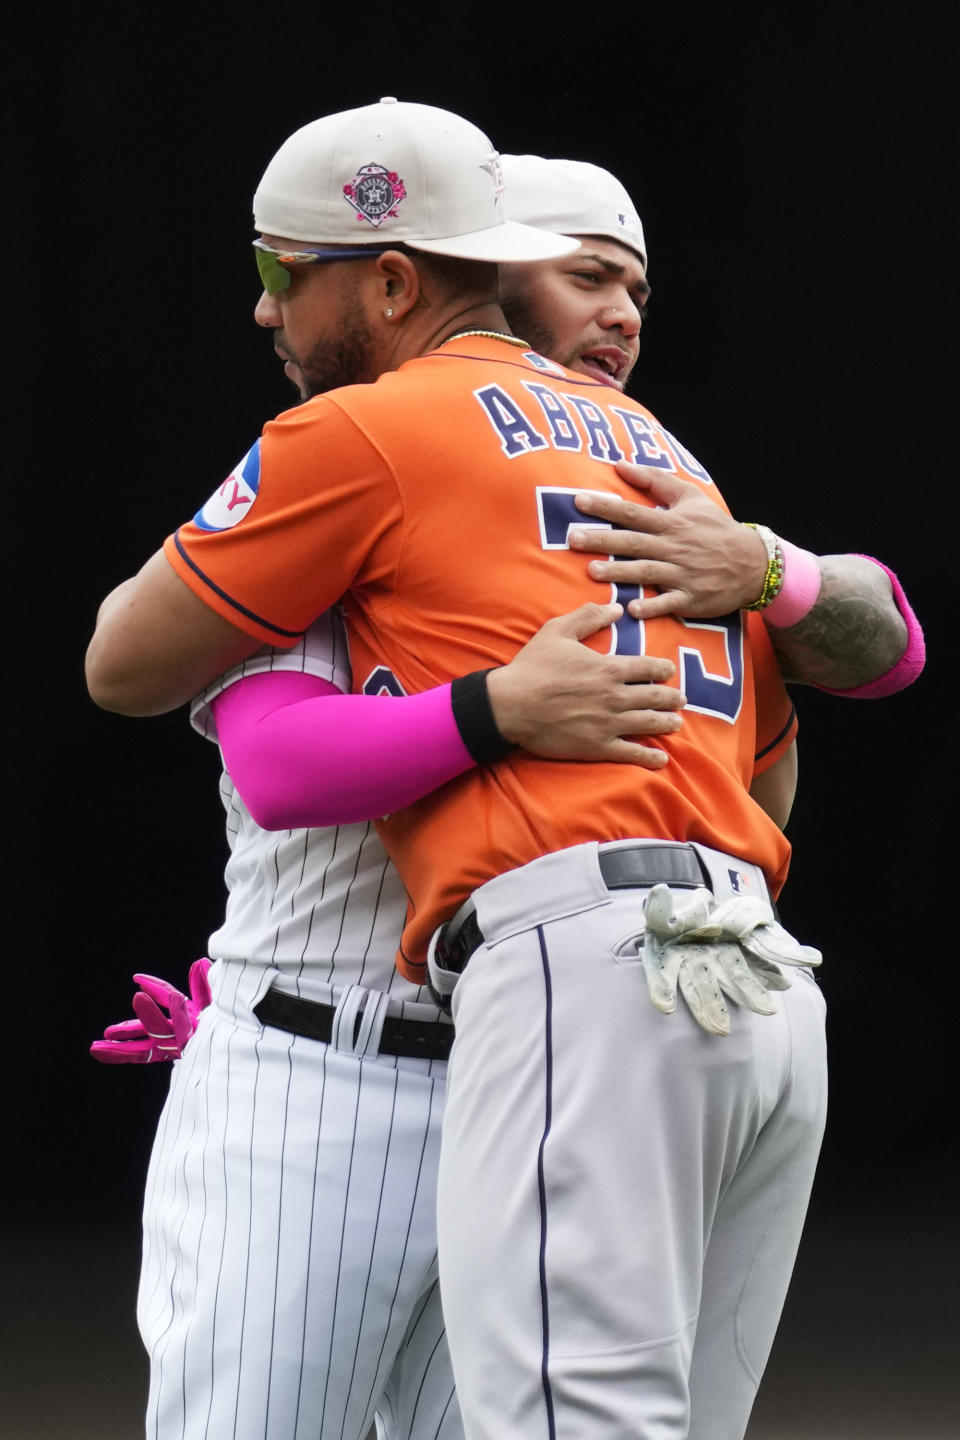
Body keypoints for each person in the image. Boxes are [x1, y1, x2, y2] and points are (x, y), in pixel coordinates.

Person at [86, 103, 922, 1440]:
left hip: (539, 1027)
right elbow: (275, 757)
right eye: (578, 266)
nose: (619, 313)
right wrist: (506, 716)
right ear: (475, 273)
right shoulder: (499, 479)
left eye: (630, 283)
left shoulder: (648, 507)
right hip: (334, 1058)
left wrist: (763, 576)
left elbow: (854, 665)